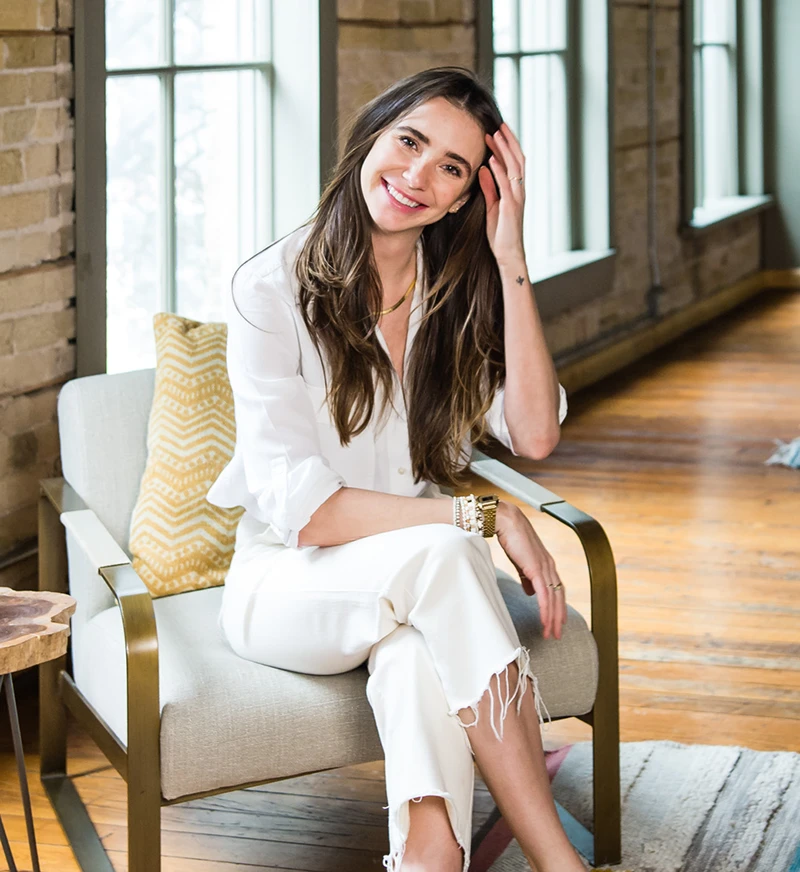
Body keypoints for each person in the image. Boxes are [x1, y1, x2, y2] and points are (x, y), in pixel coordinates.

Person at [207, 66, 585, 872]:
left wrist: (510, 255)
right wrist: (485, 516)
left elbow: (536, 431)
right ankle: (560, 862)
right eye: (409, 141)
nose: (418, 175)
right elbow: (307, 516)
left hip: (409, 580)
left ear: (463, 197)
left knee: (418, 648)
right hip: (287, 582)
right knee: (452, 551)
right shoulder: (270, 288)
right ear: (371, 137)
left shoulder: (450, 288)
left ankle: (430, 855)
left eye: (451, 167)